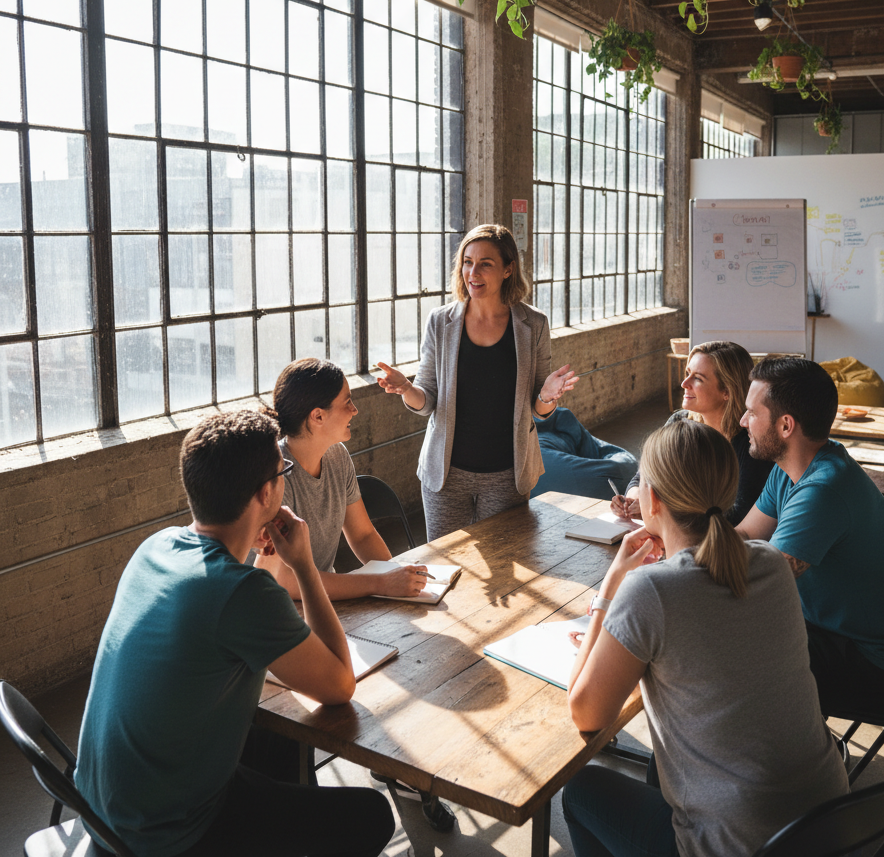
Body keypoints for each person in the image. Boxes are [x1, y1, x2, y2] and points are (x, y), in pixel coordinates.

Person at [74, 410, 395, 857]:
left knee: (273, 746)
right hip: (166, 833)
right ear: (266, 492)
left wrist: (265, 553)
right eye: (282, 473)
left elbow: (231, 608)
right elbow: (339, 685)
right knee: (372, 815)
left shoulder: (155, 547)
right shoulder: (242, 592)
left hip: (105, 808)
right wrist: (303, 565)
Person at [563, 419, 848, 857]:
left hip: (737, 843)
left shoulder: (649, 591)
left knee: (580, 791)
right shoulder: (771, 562)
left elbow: (586, 714)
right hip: (830, 824)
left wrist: (611, 586)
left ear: (652, 500)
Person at [734, 356, 884, 712]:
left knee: (727, 654)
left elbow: (765, 580)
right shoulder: (791, 467)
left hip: (870, 663)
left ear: (785, 425)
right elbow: (745, 533)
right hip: (833, 631)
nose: (743, 421)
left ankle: (795, 745)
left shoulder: (823, 490)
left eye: (752, 412)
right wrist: (685, 549)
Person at [376, 224, 577, 541]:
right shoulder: (440, 321)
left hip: (506, 475)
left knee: (504, 562)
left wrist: (548, 396)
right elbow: (426, 401)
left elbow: (538, 411)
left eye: (486, 263)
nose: (473, 272)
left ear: (508, 269)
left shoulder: (533, 324)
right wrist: (406, 389)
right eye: (468, 262)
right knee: (445, 561)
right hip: (446, 476)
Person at [256, 358, 428, 600]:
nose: (355, 410)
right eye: (347, 402)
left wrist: (396, 576)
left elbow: (362, 535)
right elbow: (284, 580)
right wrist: (380, 583)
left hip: (323, 597)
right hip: (280, 606)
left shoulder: (338, 455)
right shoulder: (275, 473)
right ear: (318, 416)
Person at [612, 340, 774, 526]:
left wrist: (657, 511)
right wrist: (633, 501)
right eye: (687, 373)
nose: (684, 384)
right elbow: (643, 477)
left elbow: (738, 517)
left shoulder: (750, 444)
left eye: (698, 378)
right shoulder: (678, 422)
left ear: (727, 391)